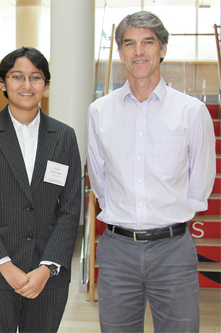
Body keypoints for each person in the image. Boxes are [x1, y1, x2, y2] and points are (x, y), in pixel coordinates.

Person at [87, 11, 216, 333]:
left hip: (173, 248)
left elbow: (201, 177)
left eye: (148, 42)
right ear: (120, 53)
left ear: (163, 48)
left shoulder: (191, 111)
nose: (139, 51)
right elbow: (99, 180)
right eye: (129, 43)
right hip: (117, 250)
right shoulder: (99, 112)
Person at [0, 47, 82, 332]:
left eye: (36, 77)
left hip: (48, 278)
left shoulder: (64, 136)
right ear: (2, 82)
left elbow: (70, 207)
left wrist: (46, 268)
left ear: (46, 85)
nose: (27, 85)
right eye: (17, 77)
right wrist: (4, 265)